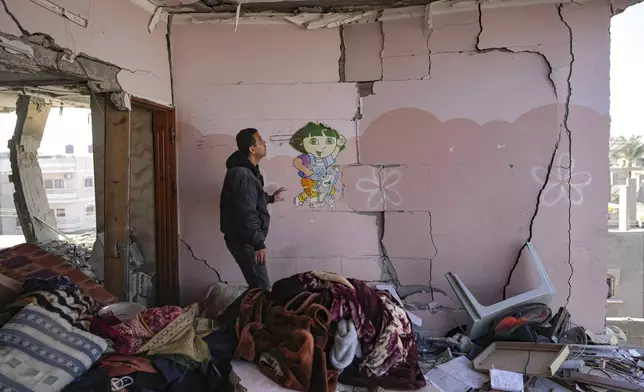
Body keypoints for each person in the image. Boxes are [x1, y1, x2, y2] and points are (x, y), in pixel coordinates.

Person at [220, 128, 285, 290]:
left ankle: (235, 315)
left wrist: (270, 198)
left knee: (256, 288)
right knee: (261, 290)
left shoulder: (248, 171)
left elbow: (250, 198)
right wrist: (258, 243)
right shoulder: (243, 174)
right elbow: (245, 212)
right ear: (252, 149)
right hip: (245, 240)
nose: (265, 143)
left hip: (245, 238)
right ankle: (232, 316)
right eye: (260, 140)